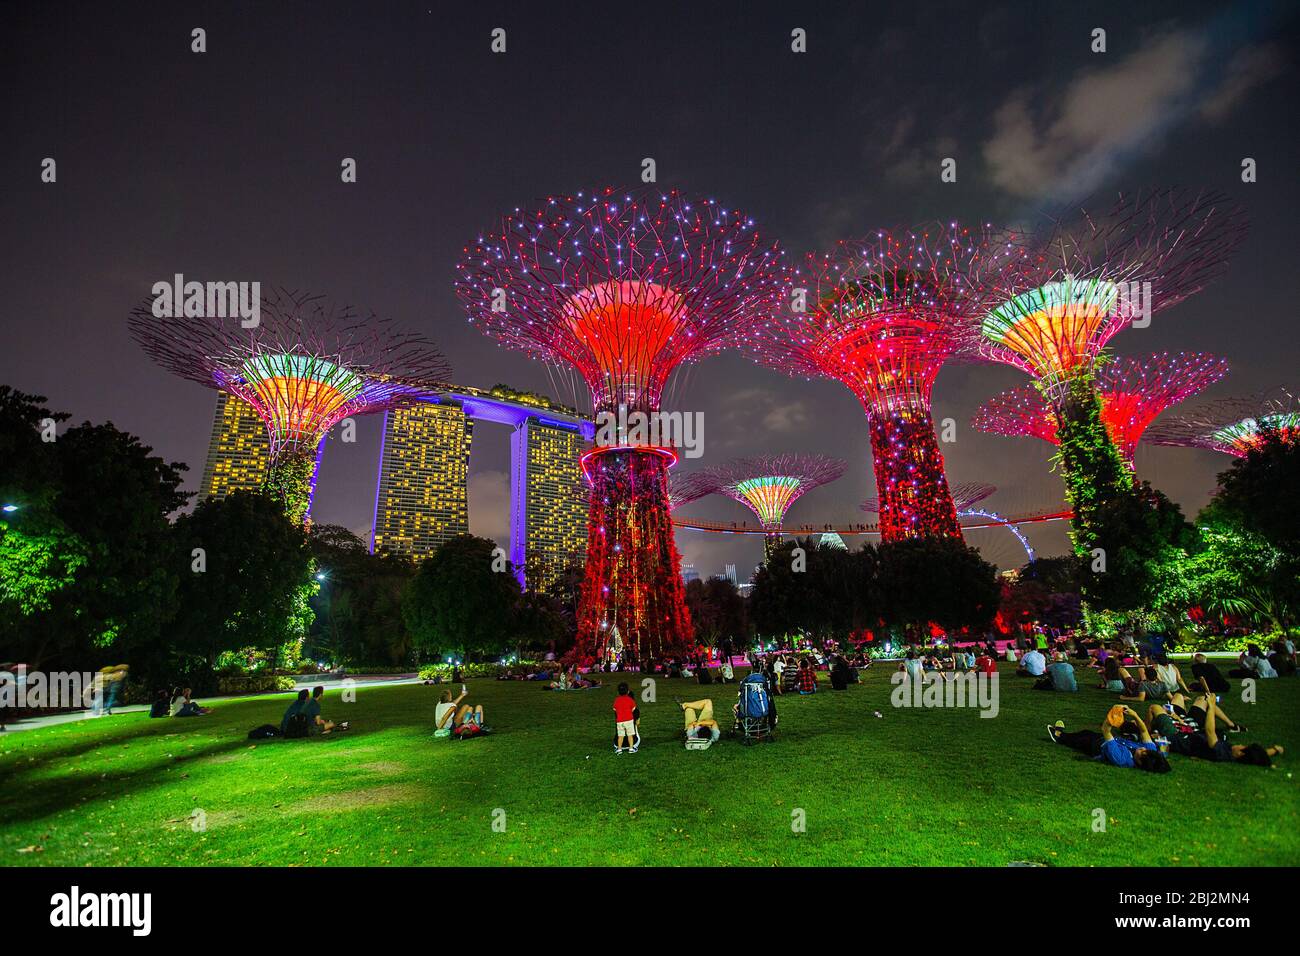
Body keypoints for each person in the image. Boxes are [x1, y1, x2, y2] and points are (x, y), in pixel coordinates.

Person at [1148, 679, 1282, 767]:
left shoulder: (1221, 752)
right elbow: (1258, 755)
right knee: (1201, 699)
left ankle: (1145, 735)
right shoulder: (1238, 753)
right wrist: (1274, 750)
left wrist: (1212, 706)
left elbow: (1210, 731)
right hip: (1192, 729)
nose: (1240, 744)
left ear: (1241, 754)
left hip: (1177, 734)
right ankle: (1232, 725)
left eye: (1242, 747)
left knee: (1154, 707)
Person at [1047, 705, 1171, 772]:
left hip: (1097, 747)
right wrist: (1135, 715)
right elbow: (1144, 731)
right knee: (1085, 733)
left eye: (1142, 752)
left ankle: (1059, 736)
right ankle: (1062, 734)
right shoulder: (1149, 751)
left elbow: (1105, 730)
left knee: (1081, 739)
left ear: (1139, 762)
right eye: (1145, 750)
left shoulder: (1121, 759)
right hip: (1111, 740)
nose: (1142, 748)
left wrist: (1112, 717)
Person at [613, 682, 638, 754]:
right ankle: (631, 748)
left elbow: (614, 709)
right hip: (629, 720)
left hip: (620, 721)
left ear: (618, 692)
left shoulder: (617, 700)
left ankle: (619, 749)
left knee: (620, 736)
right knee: (630, 735)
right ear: (628, 691)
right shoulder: (630, 699)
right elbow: (633, 709)